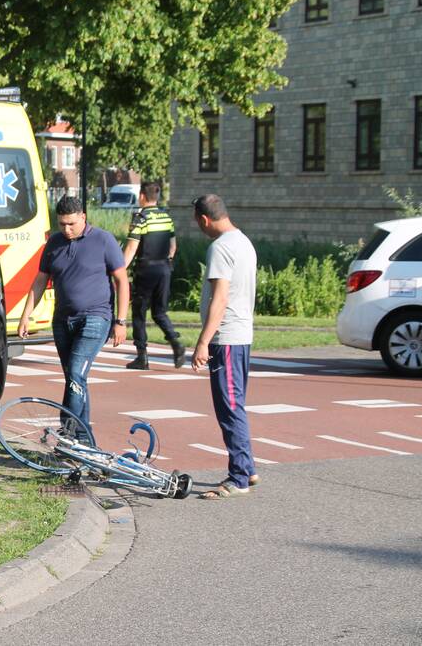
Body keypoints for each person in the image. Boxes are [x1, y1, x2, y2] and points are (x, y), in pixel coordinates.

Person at [18, 195, 130, 441]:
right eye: (62, 224)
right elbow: (39, 281)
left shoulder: (103, 240)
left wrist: (121, 321)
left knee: (77, 375)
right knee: (74, 379)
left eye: (71, 224)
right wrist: (26, 315)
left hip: (95, 317)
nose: (66, 230)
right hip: (63, 321)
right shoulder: (54, 243)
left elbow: (122, 280)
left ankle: (68, 432)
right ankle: (84, 442)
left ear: (83, 217)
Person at [189, 194, 260, 499]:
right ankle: (248, 466)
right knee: (235, 403)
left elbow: (220, 298)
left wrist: (203, 341)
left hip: (227, 338)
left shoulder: (220, 248)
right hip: (241, 336)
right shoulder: (243, 241)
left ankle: (239, 476)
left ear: (204, 219)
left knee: (229, 407)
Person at [121, 182, 185, 369]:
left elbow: (132, 247)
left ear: (142, 196)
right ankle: (175, 342)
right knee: (159, 312)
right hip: (164, 269)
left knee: (139, 313)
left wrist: (120, 269)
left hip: (146, 270)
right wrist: (167, 263)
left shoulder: (141, 218)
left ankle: (142, 357)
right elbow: (173, 246)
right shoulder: (166, 216)